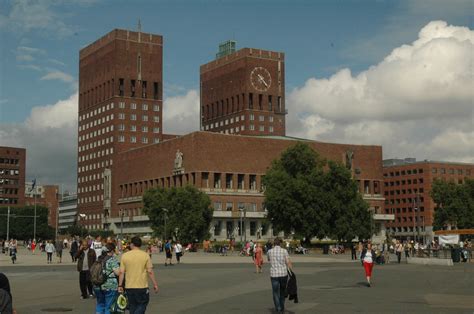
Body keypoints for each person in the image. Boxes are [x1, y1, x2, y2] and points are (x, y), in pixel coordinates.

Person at [118, 236, 159, 314]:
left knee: (132, 306)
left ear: (132, 244)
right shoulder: (145, 255)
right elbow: (150, 271)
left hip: (129, 286)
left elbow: (121, 272)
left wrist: (120, 285)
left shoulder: (125, 256)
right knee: (142, 304)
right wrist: (155, 284)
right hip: (142, 286)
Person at [267, 238, 292, 313]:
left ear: (274, 244)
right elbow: (288, 262)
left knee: (275, 292)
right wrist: (291, 272)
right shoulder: (284, 251)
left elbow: (268, 259)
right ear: (280, 243)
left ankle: (278, 308)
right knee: (282, 291)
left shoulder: (269, 251)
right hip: (283, 274)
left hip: (274, 274)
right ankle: (282, 306)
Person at [94, 243, 120, 314]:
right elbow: (118, 273)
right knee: (108, 306)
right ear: (111, 251)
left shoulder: (98, 259)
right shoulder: (112, 260)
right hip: (110, 286)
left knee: (100, 304)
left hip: (97, 285)